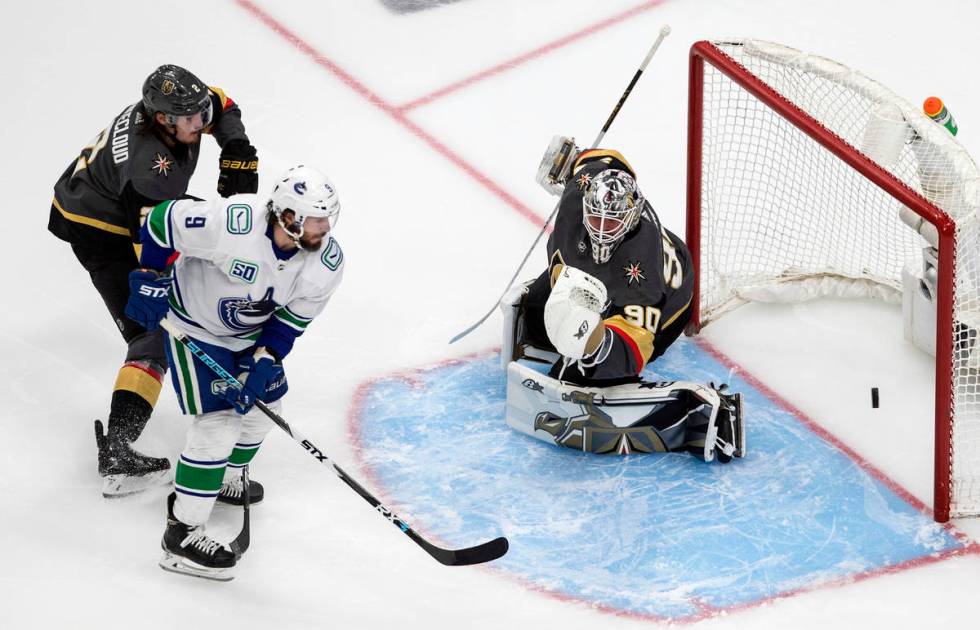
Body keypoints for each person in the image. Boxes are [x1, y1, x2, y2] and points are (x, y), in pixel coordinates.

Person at [48, 65, 260, 497]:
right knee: (151, 336)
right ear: (162, 120)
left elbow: (223, 104)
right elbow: (155, 243)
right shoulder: (149, 170)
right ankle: (119, 451)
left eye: (201, 114)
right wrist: (158, 288)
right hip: (97, 226)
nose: (200, 125)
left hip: (125, 200)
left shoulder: (182, 110)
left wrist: (234, 144)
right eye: (191, 121)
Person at [124, 165, 344, 580]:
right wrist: (152, 277)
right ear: (287, 217)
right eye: (316, 219)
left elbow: (290, 321)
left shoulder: (326, 263)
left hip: (250, 336)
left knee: (266, 409)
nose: (325, 227)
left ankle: (223, 478)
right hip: (195, 327)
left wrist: (265, 359)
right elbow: (159, 222)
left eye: (328, 217)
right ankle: (181, 534)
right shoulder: (232, 222)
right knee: (218, 423)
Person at [503, 146, 744, 461]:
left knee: (586, 370)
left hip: (661, 306)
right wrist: (569, 156)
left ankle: (687, 412)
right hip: (597, 279)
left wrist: (592, 343)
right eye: (596, 217)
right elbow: (605, 160)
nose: (601, 229)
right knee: (536, 315)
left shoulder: (643, 272)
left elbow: (634, 347)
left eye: (612, 223)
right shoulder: (579, 193)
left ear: (630, 218)